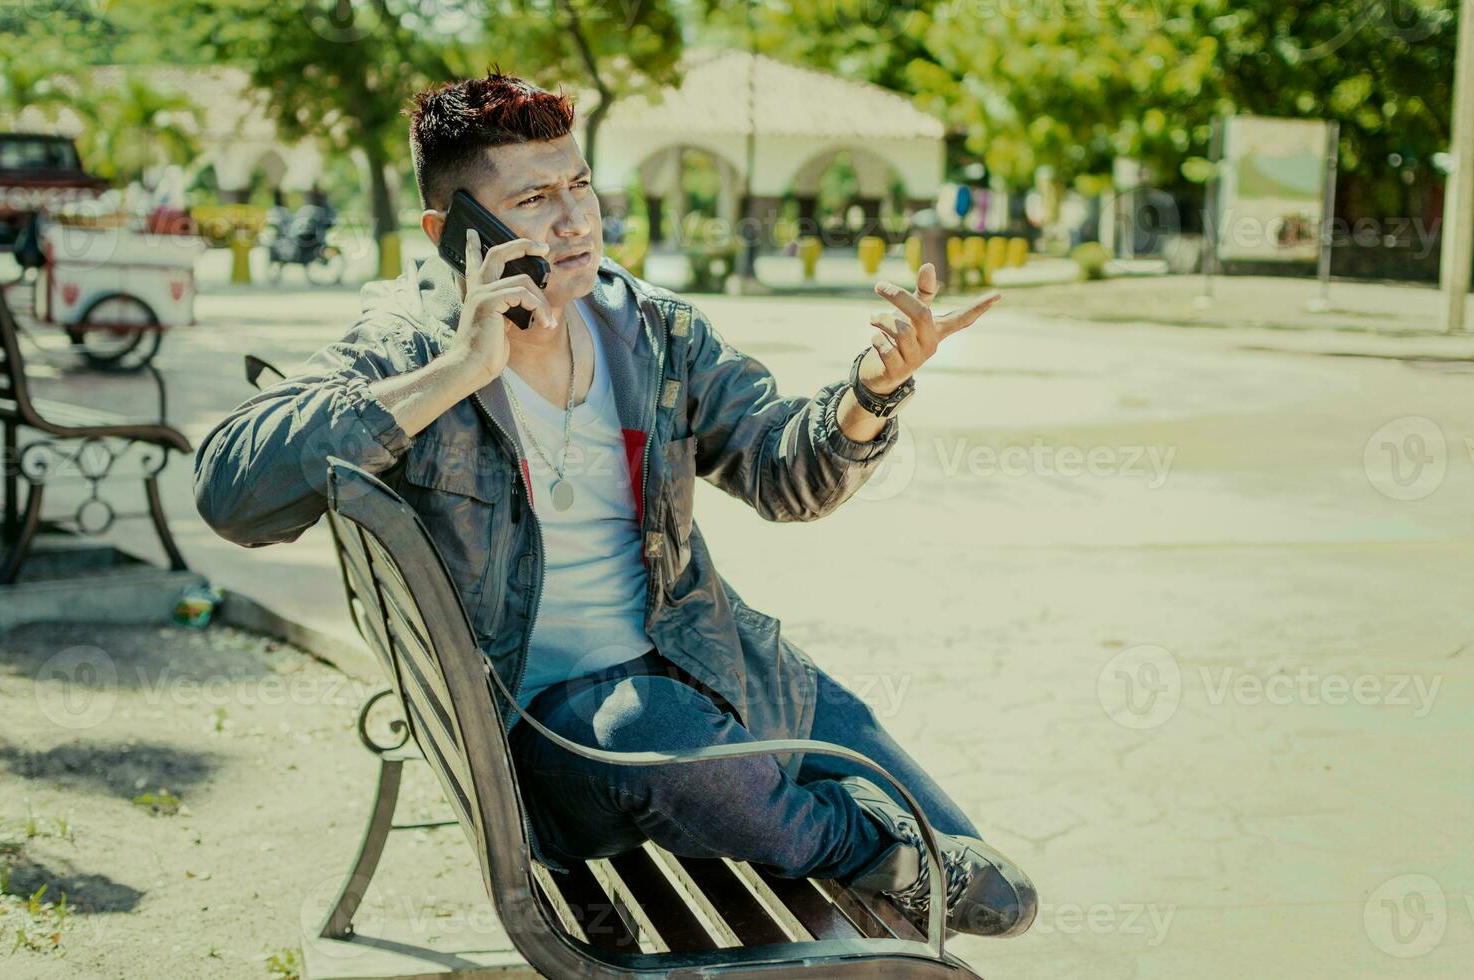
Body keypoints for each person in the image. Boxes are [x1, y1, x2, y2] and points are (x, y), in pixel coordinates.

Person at [192, 71, 1034, 938]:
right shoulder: (404, 347)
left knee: (988, 888)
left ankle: (820, 824)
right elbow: (229, 491)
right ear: (452, 235)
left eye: (580, 187)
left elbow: (784, 478)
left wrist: (872, 389)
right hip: (572, 744)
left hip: (722, 669)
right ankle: (855, 841)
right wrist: (459, 374)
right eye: (533, 199)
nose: (574, 222)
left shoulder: (651, 331)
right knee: (665, 734)